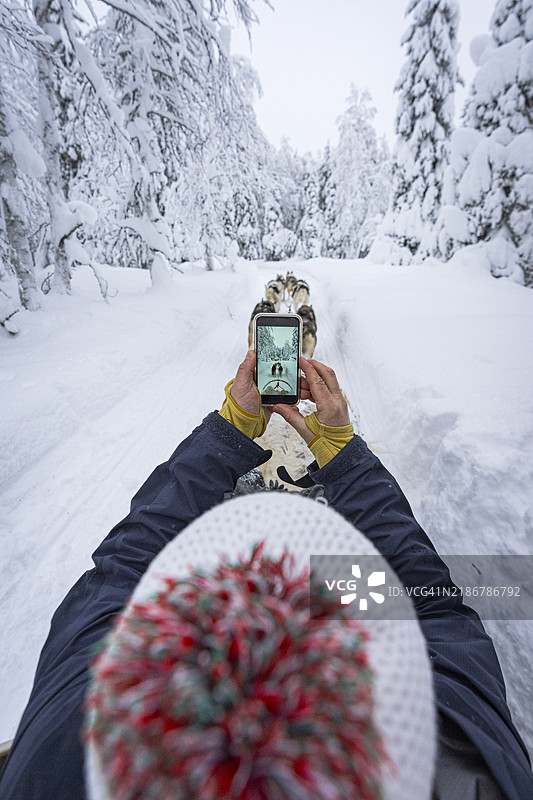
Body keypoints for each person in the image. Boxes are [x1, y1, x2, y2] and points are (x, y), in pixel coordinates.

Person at [0, 353, 531, 800]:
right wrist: (345, 457)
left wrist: (229, 431)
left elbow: (124, 568)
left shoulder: (82, 723)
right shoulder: (460, 762)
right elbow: (429, 603)